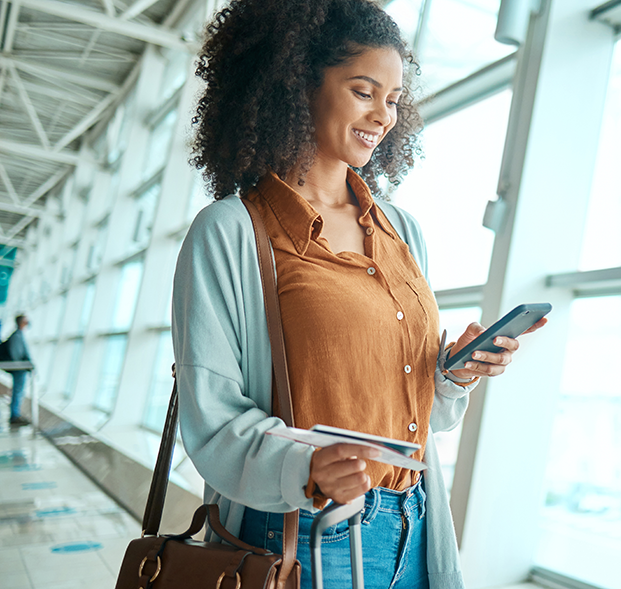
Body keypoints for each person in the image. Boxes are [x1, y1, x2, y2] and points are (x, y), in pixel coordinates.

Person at [172, 1, 545, 588]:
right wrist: (308, 464)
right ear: (298, 84)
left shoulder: (401, 229)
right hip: (307, 533)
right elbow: (212, 418)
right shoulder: (231, 232)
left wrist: (453, 374)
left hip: (416, 522)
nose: (385, 116)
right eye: (365, 91)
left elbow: (416, 412)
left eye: (394, 99)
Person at [4, 314, 32, 427]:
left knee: (18, 391)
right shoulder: (17, 336)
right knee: (18, 391)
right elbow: (16, 353)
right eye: (26, 320)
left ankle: (15, 415)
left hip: (20, 368)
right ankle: (14, 416)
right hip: (18, 369)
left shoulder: (19, 334)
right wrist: (21, 365)